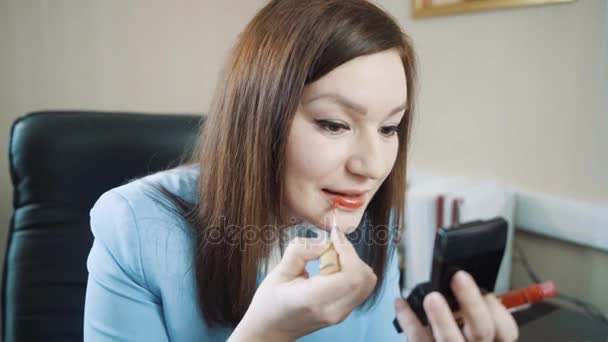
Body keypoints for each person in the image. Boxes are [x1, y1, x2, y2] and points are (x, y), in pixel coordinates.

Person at [83, 0, 518, 341]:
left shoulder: (370, 221)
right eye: (334, 124)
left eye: (389, 127)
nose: (370, 167)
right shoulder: (133, 227)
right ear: (257, 119)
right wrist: (266, 335)